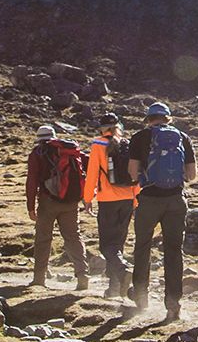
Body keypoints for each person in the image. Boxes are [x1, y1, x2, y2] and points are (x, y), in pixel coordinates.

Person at [129, 102, 198, 324]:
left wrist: (143, 176)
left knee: (142, 246)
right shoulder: (182, 137)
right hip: (176, 201)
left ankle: (141, 298)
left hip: (149, 199)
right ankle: (173, 305)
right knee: (174, 251)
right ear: (167, 118)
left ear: (149, 119)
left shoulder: (139, 137)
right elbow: (191, 175)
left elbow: (132, 173)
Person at [23, 122, 91, 291]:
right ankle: (82, 275)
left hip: (48, 202)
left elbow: (32, 181)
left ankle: (39, 279)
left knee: (43, 238)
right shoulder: (70, 152)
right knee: (73, 237)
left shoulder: (37, 153)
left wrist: (30, 206)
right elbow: (89, 164)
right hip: (71, 202)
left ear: (38, 139)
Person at [84, 114, 139, 298]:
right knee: (118, 244)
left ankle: (123, 272)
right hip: (128, 199)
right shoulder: (127, 144)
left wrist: (87, 198)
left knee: (107, 246)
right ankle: (114, 288)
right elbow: (136, 173)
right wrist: (136, 199)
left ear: (102, 128)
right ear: (117, 127)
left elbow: (92, 173)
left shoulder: (98, 145)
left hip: (107, 200)